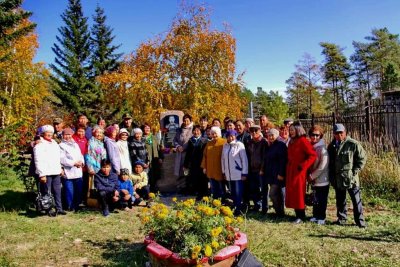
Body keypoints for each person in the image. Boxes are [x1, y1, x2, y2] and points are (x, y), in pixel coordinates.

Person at [328, 123, 367, 228]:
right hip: (338, 178)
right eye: (336, 133)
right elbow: (330, 162)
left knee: (356, 200)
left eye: (341, 132)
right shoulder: (332, 146)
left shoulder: (353, 144)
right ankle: (341, 219)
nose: (339, 135)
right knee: (340, 200)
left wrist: (355, 171)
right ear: (333, 134)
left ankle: (360, 222)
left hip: (351, 178)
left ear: (345, 132)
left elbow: (362, 158)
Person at [286, 122, 317, 223]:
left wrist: (303, 166)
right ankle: (297, 214)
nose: (290, 132)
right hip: (291, 170)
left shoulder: (303, 141)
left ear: (298, 130)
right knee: (292, 192)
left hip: (299, 171)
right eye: (290, 130)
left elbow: (313, 155)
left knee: (298, 193)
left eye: (292, 130)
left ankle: (301, 215)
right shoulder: (291, 141)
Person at [34, 125, 65, 216]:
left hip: (55, 171)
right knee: (47, 192)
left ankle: (59, 208)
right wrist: (41, 174)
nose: (49, 134)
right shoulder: (39, 144)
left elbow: (57, 158)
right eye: (47, 132)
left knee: (57, 190)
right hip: (46, 172)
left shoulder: (54, 143)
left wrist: (60, 168)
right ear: (43, 133)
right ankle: (48, 209)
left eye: (51, 133)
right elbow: (38, 159)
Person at [221, 129, 248, 216]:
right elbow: (223, 159)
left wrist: (244, 173)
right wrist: (224, 172)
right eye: (228, 136)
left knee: (238, 192)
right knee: (232, 192)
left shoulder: (239, 145)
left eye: (232, 135)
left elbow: (244, 160)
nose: (230, 137)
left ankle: (238, 209)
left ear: (235, 136)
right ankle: (235, 207)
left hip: (238, 173)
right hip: (229, 174)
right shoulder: (225, 146)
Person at [261, 128, 287, 217]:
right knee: (276, 194)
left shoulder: (281, 145)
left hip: (278, 174)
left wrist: (281, 173)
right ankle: (279, 212)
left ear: (277, 135)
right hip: (271, 174)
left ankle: (280, 212)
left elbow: (283, 160)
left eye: (272, 135)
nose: (270, 137)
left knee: (273, 194)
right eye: (269, 135)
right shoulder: (270, 145)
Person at [308, 125, 329, 225]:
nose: (315, 137)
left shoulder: (322, 149)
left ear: (320, 136)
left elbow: (322, 166)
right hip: (314, 180)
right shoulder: (311, 147)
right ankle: (315, 215)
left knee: (322, 200)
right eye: (313, 135)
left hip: (322, 179)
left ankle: (322, 217)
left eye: (317, 135)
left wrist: (312, 176)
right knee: (315, 199)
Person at [59, 128, 84, 212]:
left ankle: (76, 205)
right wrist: (74, 163)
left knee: (78, 189)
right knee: (69, 190)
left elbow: (80, 155)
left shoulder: (75, 144)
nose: (68, 136)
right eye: (66, 135)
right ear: (63, 135)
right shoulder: (61, 146)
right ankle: (69, 206)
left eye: (69, 134)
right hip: (68, 171)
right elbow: (62, 159)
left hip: (78, 170)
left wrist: (81, 162)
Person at [183, 125, 209, 199]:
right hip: (193, 164)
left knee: (203, 179)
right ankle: (197, 194)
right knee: (195, 178)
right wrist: (186, 164)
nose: (196, 132)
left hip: (202, 163)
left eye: (198, 130)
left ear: (200, 132)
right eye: (194, 130)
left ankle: (204, 195)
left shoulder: (204, 141)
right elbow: (188, 154)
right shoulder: (190, 141)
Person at [246, 125, 267, 213]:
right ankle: (257, 206)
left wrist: (262, 169)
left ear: (259, 131)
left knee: (263, 190)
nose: (254, 132)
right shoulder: (249, 142)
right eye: (252, 131)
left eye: (256, 130)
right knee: (254, 189)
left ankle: (264, 207)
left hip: (261, 170)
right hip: (252, 170)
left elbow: (264, 157)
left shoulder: (263, 142)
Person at [201, 126, 226, 200]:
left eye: (215, 133)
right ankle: (215, 201)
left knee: (221, 187)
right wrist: (204, 167)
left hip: (220, 169)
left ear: (219, 133)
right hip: (211, 169)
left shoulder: (224, 142)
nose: (214, 135)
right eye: (212, 133)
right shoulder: (209, 143)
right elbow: (205, 155)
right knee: (213, 187)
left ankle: (223, 201)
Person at [142, 123, 164, 193]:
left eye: (148, 128)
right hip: (146, 160)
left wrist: (161, 157)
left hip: (155, 160)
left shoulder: (154, 137)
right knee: (148, 175)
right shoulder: (141, 138)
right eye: (145, 128)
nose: (147, 129)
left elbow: (159, 148)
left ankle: (154, 188)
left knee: (155, 174)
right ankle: (148, 190)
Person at [173, 114, 193, 181]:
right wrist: (178, 146)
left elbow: (192, 140)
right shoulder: (179, 130)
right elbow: (175, 140)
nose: (186, 122)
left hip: (188, 153)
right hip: (180, 153)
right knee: (180, 171)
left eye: (187, 121)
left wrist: (184, 148)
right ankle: (181, 187)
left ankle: (188, 187)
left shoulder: (193, 129)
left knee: (188, 171)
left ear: (190, 121)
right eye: (184, 121)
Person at [72, 125, 89, 205]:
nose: (81, 133)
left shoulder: (85, 140)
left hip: (83, 165)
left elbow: (86, 152)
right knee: (76, 183)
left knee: (84, 183)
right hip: (75, 164)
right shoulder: (73, 139)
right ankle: (75, 200)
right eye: (79, 131)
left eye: (82, 131)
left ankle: (83, 199)